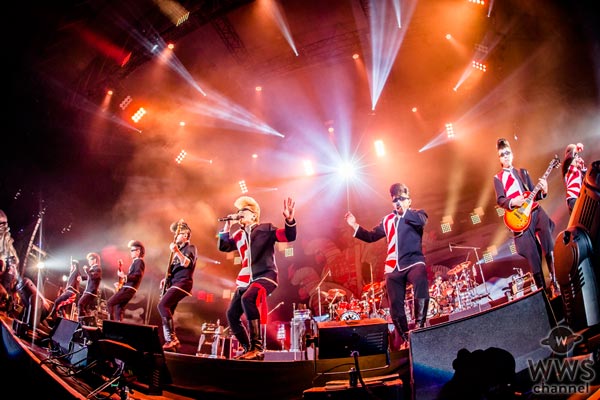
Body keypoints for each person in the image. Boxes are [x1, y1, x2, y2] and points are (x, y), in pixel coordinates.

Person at [344, 183, 429, 349]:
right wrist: (354, 225)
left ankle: (419, 327)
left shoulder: (417, 214)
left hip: (413, 261)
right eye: (395, 200)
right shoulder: (387, 220)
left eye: (402, 199)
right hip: (393, 267)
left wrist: (404, 211)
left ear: (409, 201)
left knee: (420, 281)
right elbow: (370, 236)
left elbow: (421, 222)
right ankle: (406, 338)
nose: (398, 202)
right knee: (395, 304)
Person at [217, 196, 296, 360]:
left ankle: (257, 348)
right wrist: (227, 226)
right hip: (246, 280)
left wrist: (289, 220)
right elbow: (223, 246)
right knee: (231, 314)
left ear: (253, 215)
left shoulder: (265, 229)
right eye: (238, 211)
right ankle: (248, 349)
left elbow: (288, 236)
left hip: (265, 275)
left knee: (248, 298)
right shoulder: (238, 235)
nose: (240, 213)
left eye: (244, 211)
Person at [493, 138, 558, 296]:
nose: (506, 156)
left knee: (548, 241)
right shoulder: (498, 178)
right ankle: (543, 293)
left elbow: (534, 194)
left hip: (534, 211)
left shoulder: (523, 172)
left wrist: (544, 190)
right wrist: (513, 201)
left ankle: (555, 281)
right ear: (499, 158)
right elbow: (500, 200)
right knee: (533, 257)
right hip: (519, 218)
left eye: (507, 153)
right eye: (502, 154)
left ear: (512, 154)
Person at [157, 220, 197, 352]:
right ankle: (171, 344)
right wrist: (166, 279)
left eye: (178, 233)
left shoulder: (190, 248)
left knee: (162, 305)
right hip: (174, 282)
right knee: (167, 310)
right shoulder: (177, 252)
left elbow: (186, 263)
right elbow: (174, 270)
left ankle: (172, 339)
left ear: (185, 235)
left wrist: (177, 252)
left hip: (183, 282)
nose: (175, 236)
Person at [107, 240, 146, 322]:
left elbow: (137, 276)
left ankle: (111, 325)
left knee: (110, 303)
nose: (130, 252)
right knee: (119, 307)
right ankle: (118, 325)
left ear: (138, 251)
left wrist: (124, 276)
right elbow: (132, 277)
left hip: (128, 289)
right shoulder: (136, 262)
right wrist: (121, 283)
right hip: (128, 288)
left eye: (132, 250)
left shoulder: (139, 261)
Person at [0, 209, 20, 313]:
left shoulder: (7, 241)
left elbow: (14, 260)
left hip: (6, 281)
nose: (3, 227)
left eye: (4, 224)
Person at [78, 252, 103, 323]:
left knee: (80, 304)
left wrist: (87, 270)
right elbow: (89, 276)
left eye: (90, 259)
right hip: (88, 291)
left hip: (91, 291)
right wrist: (82, 278)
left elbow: (93, 277)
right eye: (88, 260)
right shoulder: (93, 268)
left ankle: (81, 322)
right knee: (85, 307)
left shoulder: (98, 268)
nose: (89, 261)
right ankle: (87, 322)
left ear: (94, 260)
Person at [562, 142, 587, 215]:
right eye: (575, 156)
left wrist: (582, 166)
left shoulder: (577, 171)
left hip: (578, 198)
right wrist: (576, 147)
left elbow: (586, 181)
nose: (578, 158)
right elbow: (570, 154)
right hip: (573, 198)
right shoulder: (569, 168)